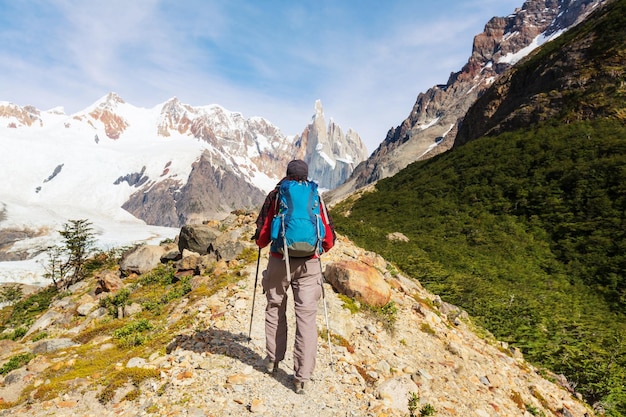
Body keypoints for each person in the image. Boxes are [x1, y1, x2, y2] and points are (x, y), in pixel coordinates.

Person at [253, 159, 336, 394]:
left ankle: (273, 360)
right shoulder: (315, 196)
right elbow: (328, 236)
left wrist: (261, 243)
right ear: (306, 175)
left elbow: (263, 232)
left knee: (275, 306)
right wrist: (317, 249)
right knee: (307, 318)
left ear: (287, 174)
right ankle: (301, 377)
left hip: (281, 259)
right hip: (310, 263)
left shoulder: (278, 194)